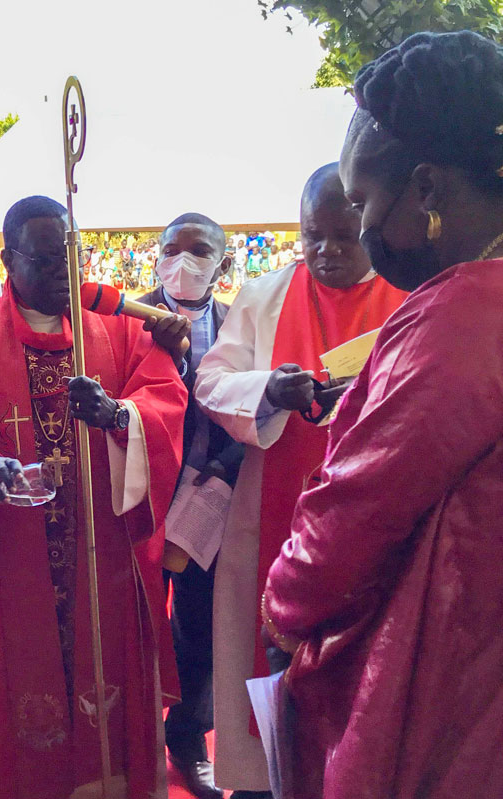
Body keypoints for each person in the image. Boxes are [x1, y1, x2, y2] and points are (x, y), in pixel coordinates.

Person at [263, 31, 503, 799]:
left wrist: (283, 604)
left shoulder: (463, 313)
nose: (360, 230)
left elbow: (353, 513)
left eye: (364, 203)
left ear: (427, 190)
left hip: (455, 680)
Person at [0, 196, 188, 799]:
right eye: (44, 261)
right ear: (9, 260)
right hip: (14, 557)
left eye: (71, 257)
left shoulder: (118, 328)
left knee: (106, 687)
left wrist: (119, 416)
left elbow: (163, 395)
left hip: (104, 556)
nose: (64, 275)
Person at [193, 163, 407, 797]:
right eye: (315, 235)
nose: (328, 251)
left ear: (371, 225)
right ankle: (266, 781)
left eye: (345, 236)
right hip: (275, 509)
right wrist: (268, 389)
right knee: (266, 657)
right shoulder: (265, 296)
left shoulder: (409, 292)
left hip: (376, 512)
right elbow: (211, 379)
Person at [139, 214, 242, 799]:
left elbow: (248, 404)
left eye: (198, 251)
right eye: (171, 249)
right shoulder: (128, 317)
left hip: (210, 496)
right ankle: (129, 731)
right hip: (142, 490)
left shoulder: (236, 326)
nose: (182, 261)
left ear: (221, 264)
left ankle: (187, 737)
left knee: (200, 624)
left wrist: (221, 473)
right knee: (132, 615)